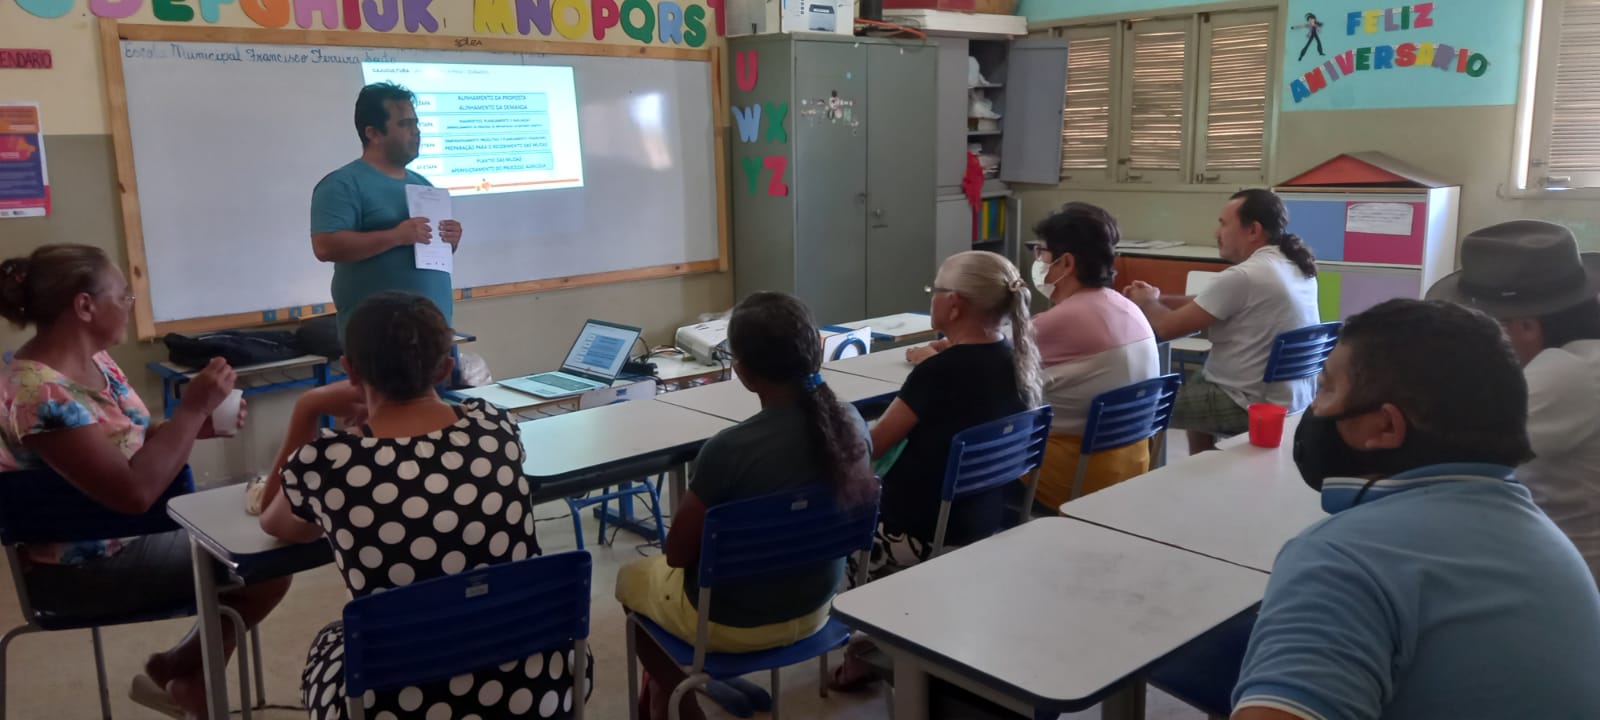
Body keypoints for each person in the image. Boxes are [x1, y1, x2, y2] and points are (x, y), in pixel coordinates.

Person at [1231, 299, 1600, 720]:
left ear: (1386, 426)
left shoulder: (1341, 560)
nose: (1315, 408)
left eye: (1327, 387)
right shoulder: (1547, 542)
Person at [260, 292, 590, 720]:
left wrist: (308, 408)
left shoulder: (330, 464)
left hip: (396, 705)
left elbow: (275, 520)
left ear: (350, 371)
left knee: (333, 639)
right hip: (539, 689)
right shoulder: (496, 428)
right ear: (446, 368)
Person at [0, 244, 289, 719]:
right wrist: (192, 409)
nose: (131, 307)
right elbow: (133, 493)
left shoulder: (98, 361)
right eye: (124, 297)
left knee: (267, 541)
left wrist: (194, 426)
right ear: (84, 306)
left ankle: (183, 675)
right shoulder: (39, 394)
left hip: (128, 538)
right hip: (80, 567)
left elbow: (132, 443)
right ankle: (177, 670)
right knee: (266, 562)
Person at [615, 292, 875, 720]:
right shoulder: (852, 424)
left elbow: (678, 556)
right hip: (820, 610)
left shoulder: (728, 450)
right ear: (816, 351)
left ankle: (677, 696)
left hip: (727, 626)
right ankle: (675, 693)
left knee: (630, 580)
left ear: (743, 372)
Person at [1426, 220, 1600, 581]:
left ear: (1526, 326)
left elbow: (1440, 454)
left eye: (1483, 325)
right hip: (1533, 544)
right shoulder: (1580, 354)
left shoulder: (1566, 374)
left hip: (1557, 573)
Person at [873, 251, 1042, 559]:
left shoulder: (937, 373)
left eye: (934, 290)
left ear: (954, 304)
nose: (931, 297)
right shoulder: (1018, 361)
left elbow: (872, 448)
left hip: (915, 535)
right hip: (985, 525)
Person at [1125, 189, 1320, 454]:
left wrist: (1147, 303)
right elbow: (1207, 302)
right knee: (1201, 379)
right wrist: (1157, 296)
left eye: (1223, 223)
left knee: (1135, 406)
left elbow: (1165, 327)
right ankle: (1203, 463)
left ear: (1253, 231)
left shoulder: (1245, 275)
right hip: (1293, 396)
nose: (1217, 232)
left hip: (1248, 405)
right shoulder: (1292, 266)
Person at [310, 82, 462, 340]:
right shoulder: (342, 184)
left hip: (433, 334)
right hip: (380, 340)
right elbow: (326, 246)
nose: (416, 132)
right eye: (404, 124)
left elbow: (430, 250)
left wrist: (450, 239)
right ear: (373, 133)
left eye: (416, 123)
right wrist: (397, 236)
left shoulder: (423, 184)